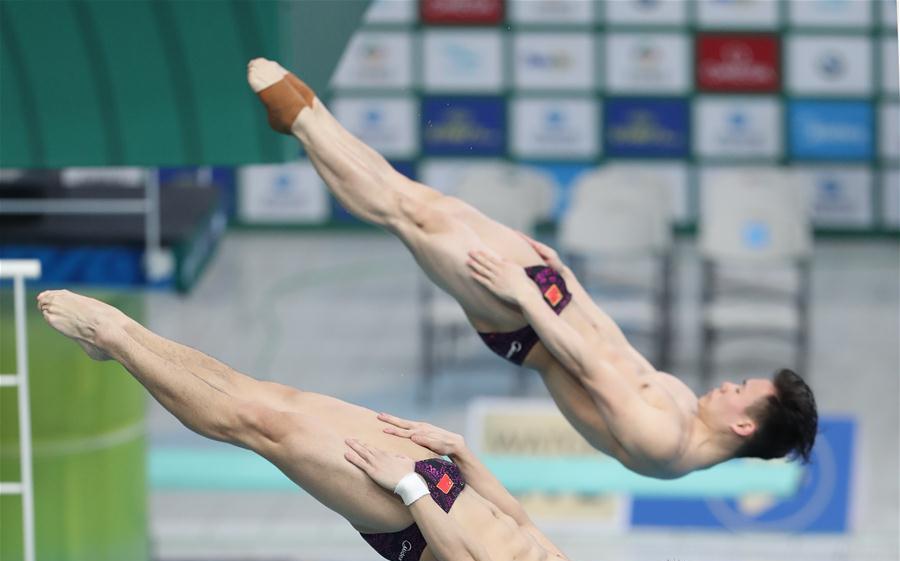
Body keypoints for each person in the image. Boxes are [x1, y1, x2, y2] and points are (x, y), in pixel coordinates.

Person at [37, 289, 714, 561]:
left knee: (259, 423)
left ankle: (117, 335)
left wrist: (412, 489)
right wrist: (467, 460)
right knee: (278, 397)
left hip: (413, 521)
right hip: (440, 489)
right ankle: (122, 347)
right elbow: (527, 536)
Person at [247, 58, 818, 480]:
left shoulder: (664, 443)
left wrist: (524, 294)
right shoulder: (688, 413)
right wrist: (562, 275)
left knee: (406, 218)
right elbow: (611, 341)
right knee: (426, 203)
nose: (727, 384)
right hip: (551, 298)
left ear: (744, 426)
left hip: (524, 323)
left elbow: (587, 365)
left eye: (740, 389)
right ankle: (310, 113)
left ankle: (301, 121)